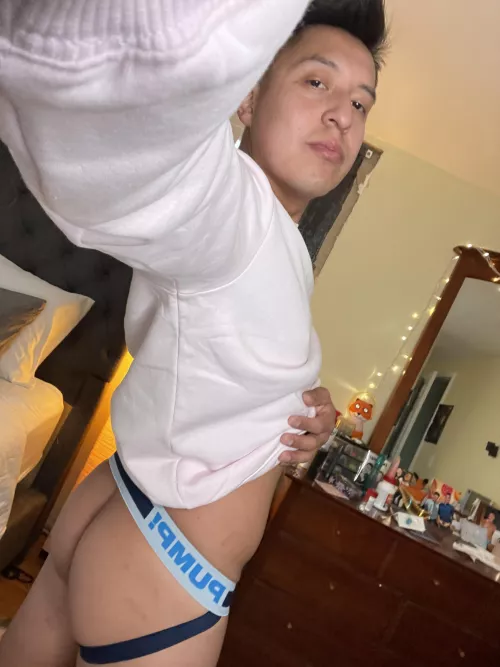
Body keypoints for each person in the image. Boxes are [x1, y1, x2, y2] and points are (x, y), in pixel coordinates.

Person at [0, 1, 387, 666]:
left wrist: (301, 406)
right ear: (247, 96)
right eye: (316, 82)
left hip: (119, 498)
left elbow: (222, 351)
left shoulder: (273, 240)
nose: (342, 116)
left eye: (360, 102)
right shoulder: (233, 210)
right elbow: (138, 158)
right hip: (167, 562)